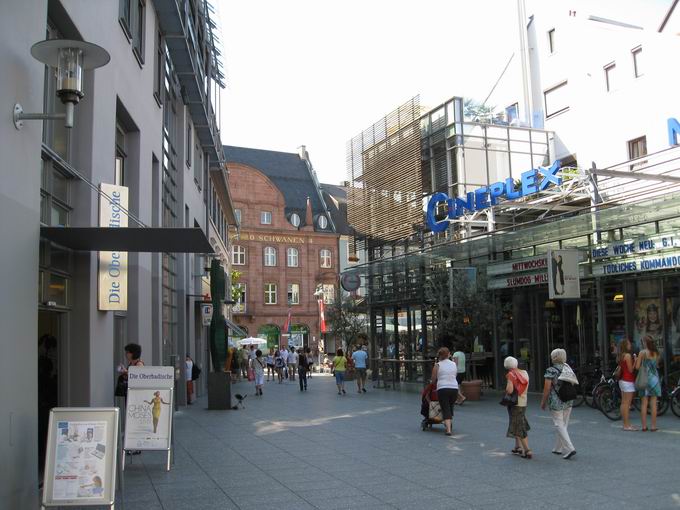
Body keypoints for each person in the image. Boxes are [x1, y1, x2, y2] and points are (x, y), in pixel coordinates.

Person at [541, 348, 577, 458]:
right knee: (563, 425)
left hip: (556, 400)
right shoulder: (568, 368)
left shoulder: (551, 370)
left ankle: (570, 448)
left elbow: (547, 389)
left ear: (554, 357)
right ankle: (558, 448)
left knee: (559, 424)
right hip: (568, 399)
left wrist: (543, 402)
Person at [504, 356, 531, 458]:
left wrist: (507, 388)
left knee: (519, 426)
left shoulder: (511, 374)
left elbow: (510, 390)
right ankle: (517, 446)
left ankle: (527, 450)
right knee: (517, 423)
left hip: (514, 403)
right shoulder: (525, 373)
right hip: (523, 401)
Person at [635, 336, 661, 431]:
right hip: (654, 380)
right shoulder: (656, 353)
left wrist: (636, 359)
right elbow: (657, 365)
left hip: (645, 379)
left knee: (644, 404)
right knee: (654, 404)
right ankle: (654, 426)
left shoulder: (642, 353)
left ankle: (644, 426)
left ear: (645, 343)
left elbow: (637, 367)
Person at [431, 347, 458, 436]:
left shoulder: (437, 365)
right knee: (450, 407)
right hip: (454, 388)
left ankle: (448, 429)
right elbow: (454, 374)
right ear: (448, 354)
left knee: (445, 408)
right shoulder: (454, 364)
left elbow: (433, 379)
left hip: (443, 388)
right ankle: (449, 422)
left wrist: (432, 383)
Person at [617, 338, 638, 431]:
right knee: (627, 404)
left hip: (622, 380)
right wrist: (636, 361)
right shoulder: (628, 356)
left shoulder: (621, 355)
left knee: (623, 403)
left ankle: (625, 424)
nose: (630, 345)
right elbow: (631, 370)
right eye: (629, 344)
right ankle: (627, 425)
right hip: (628, 380)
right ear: (625, 345)